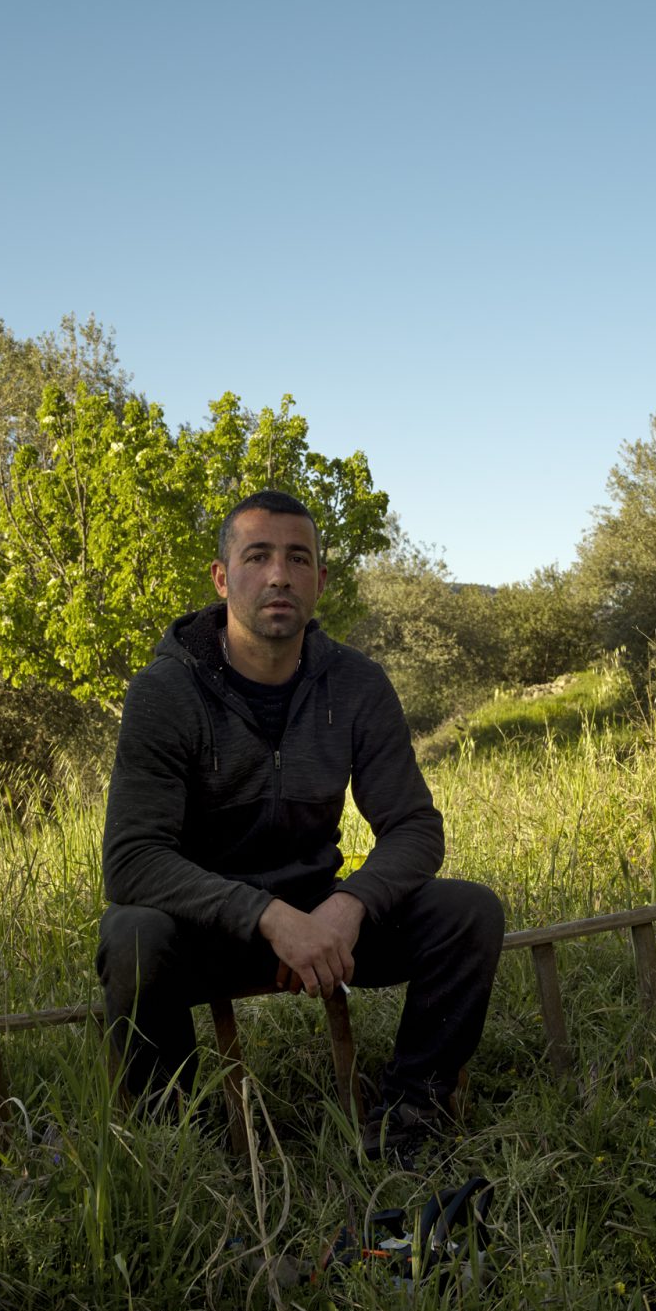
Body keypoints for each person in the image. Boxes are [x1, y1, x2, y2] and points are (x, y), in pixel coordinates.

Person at [96, 489, 504, 1161]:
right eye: (257, 556)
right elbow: (132, 859)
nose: (278, 575)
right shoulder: (165, 691)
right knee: (132, 935)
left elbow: (414, 828)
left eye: (297, 558)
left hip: (325, 927)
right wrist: (268, 917)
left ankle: (409, 1119)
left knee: (468, 911)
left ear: (320, 579)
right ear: (223, 578)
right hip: (207, 931)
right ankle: (171, 1146)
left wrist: (345, 908)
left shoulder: (356, 684)